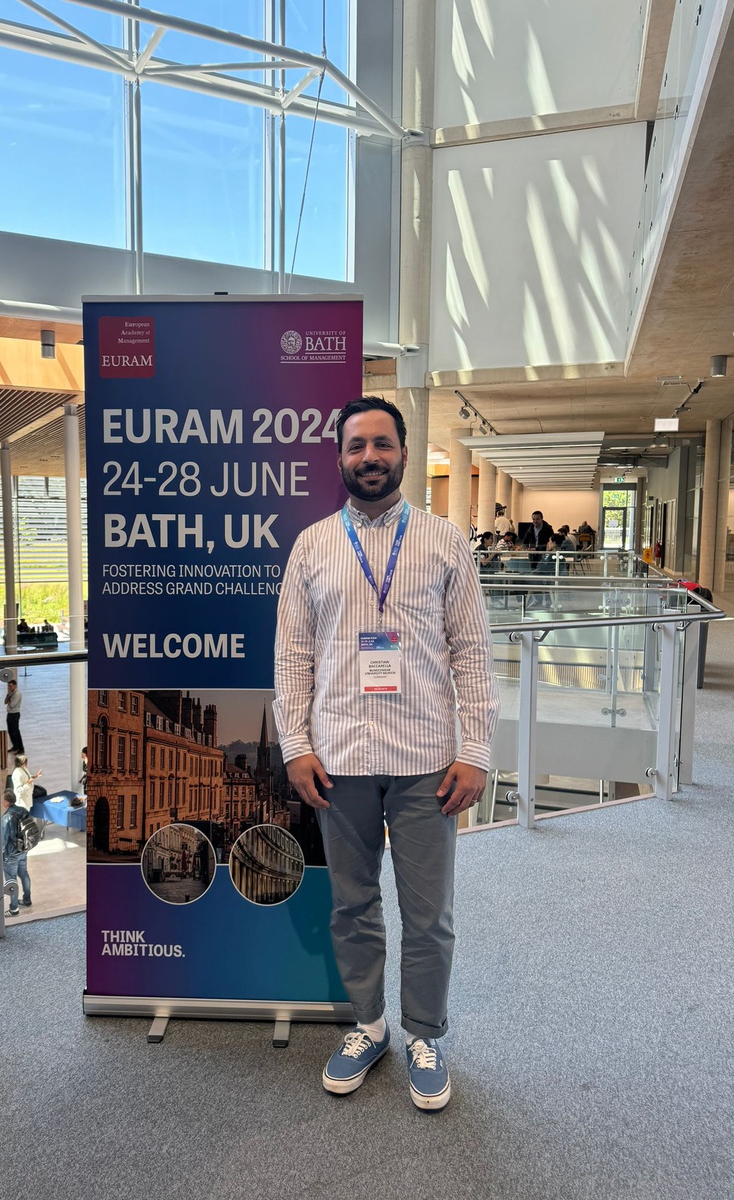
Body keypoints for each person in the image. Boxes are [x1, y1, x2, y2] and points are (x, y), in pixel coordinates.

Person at [274, 395, 499, 1112]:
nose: (368, 456)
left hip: (427, 759)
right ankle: (368, 1025)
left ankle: (425, 1034)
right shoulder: (312, 546)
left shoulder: (445, 542)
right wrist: (296, 745)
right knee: (352, 905)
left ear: (403, 453)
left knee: (429, 914)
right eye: (356, 445)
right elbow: (293, 657)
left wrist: (476, 750)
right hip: (338, 759)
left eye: (381, 444)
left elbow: (473, 654)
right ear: (339, 458)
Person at [1, 788, 32, 917]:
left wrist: (0, 854)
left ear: (6, 802)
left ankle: (14, 908)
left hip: (11, 853)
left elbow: (3, 839)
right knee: (24, 873)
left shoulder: (6, 817)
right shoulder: (23, 811)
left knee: (11, 880)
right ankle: (27, 899)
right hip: (23, 849)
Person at [4, 678, 24, 753]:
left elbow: (12, 704)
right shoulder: (10, 693)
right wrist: (8, 696)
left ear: (15, 685)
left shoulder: (17, 694)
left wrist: (9, 699)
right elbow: (5, 702)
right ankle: (15, 746)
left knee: (15, 731)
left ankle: (21, 748)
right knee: (10, 731)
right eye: (8, 686)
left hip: (14, 714)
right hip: (9, 713)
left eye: (10, 686)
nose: (9, 687)